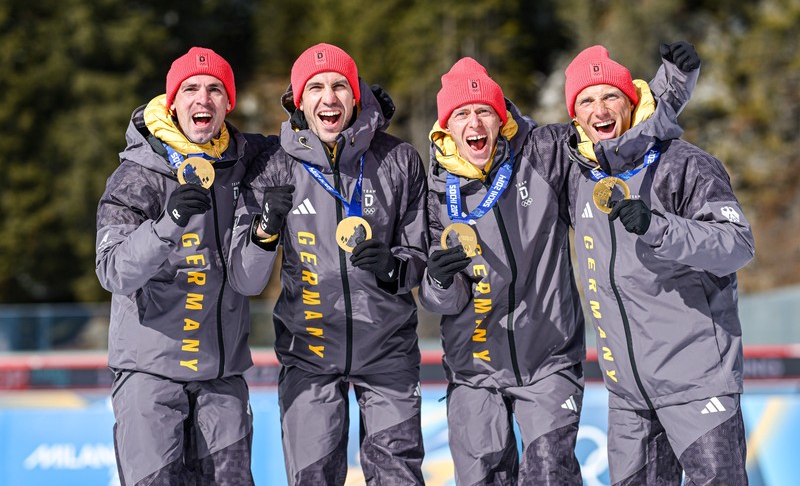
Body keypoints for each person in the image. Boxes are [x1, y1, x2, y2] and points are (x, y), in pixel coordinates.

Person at [418, 44, 698, 485]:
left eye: (484, 112)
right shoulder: (435, 190)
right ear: (445, 129)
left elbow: (612, 133)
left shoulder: (542, 153)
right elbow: (440, 300)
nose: (474, 124)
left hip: (548, 361)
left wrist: (673, 84)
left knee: (551, 474)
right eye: (461, 115)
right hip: (474, 368)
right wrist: (437, 279)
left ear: (501, 118)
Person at [227, 43, 428, 485]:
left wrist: (394, 270)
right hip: (309, 352)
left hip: (387, 352)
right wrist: (264, 230)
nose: (329, 97)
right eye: (315, 87)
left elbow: (420, 256)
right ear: (299, 100)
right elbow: (245, 277)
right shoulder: (274, 167)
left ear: (356, 96)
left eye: (339, 85)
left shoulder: (398, 159)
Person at [564, 43, 753, 485]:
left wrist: (659, 227)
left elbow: (737, 244)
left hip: (697, 383)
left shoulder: (685, 165)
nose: (600, 109)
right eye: (586, 100)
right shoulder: (577, 174)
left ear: (632, 102)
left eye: (610, 96)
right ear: (576, 115)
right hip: (628, 397)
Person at [96, 47, 276, 485]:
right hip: (149, 374)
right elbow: (113, 270)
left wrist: (266, 233)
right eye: (191, 88)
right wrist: (167, 225)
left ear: (228, 103)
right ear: (172, 101)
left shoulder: (244, 162)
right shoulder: (136, 174)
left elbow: (248, 279)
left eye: (215, 89)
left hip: (221, 373)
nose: (203, 99)